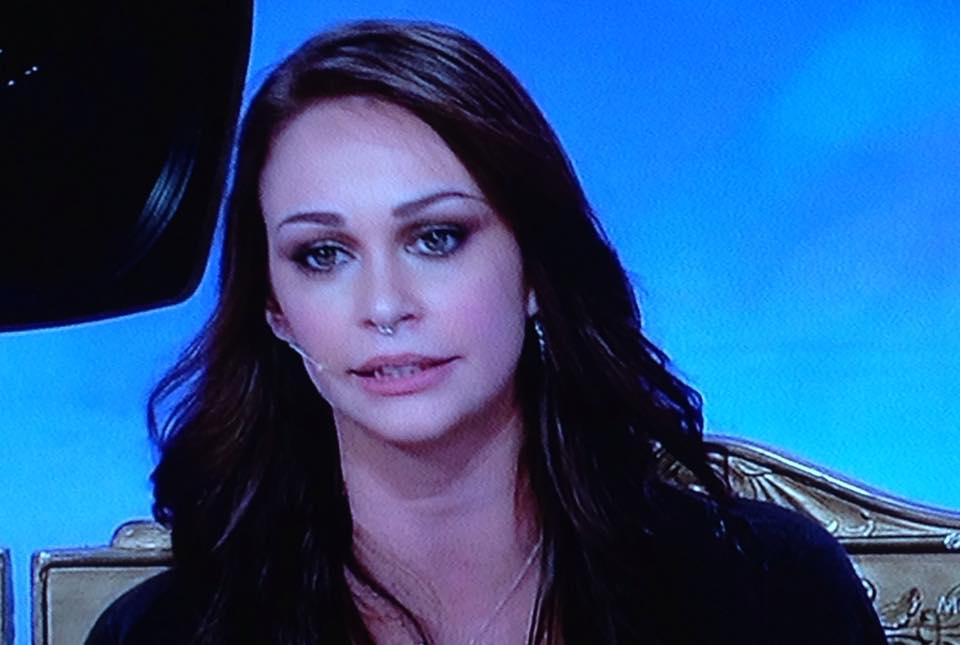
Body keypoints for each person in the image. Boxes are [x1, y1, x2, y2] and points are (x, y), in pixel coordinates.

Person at [86, 19, 886, 645]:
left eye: (436, 238)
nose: (385, 304)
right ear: (275, 309)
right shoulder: (169, 633)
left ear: (535, 268)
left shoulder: (767, 592)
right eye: (323, 254)